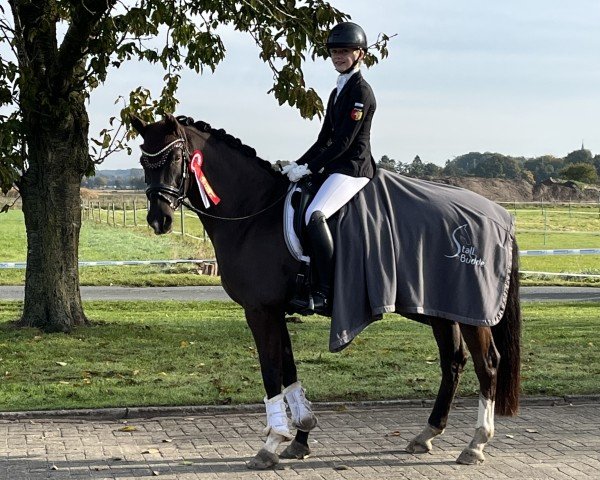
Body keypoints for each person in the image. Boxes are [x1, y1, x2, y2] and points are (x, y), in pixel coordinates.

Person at [283, 21, 377, 315]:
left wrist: (310, 168)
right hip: (335, 166)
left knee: (315, 214)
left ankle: (326, 292)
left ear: (360, 54)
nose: (338, 57)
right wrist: (298, 164)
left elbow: (344, 142)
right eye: (335, 52)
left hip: (353, 168)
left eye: (345, 51)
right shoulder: (338, 91)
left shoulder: (360, 92)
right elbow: (323, 139)